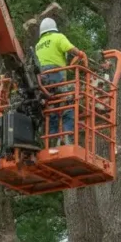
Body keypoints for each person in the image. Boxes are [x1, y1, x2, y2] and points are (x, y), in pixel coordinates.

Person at [34, 17, 86, 150]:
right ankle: (68, 135)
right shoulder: (58, 37)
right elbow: (71, 50)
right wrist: (81, 54)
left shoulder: (38, 44)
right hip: (57, 74)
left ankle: (52, 140)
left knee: (51, 108)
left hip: (43, 80)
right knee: (68, 101)